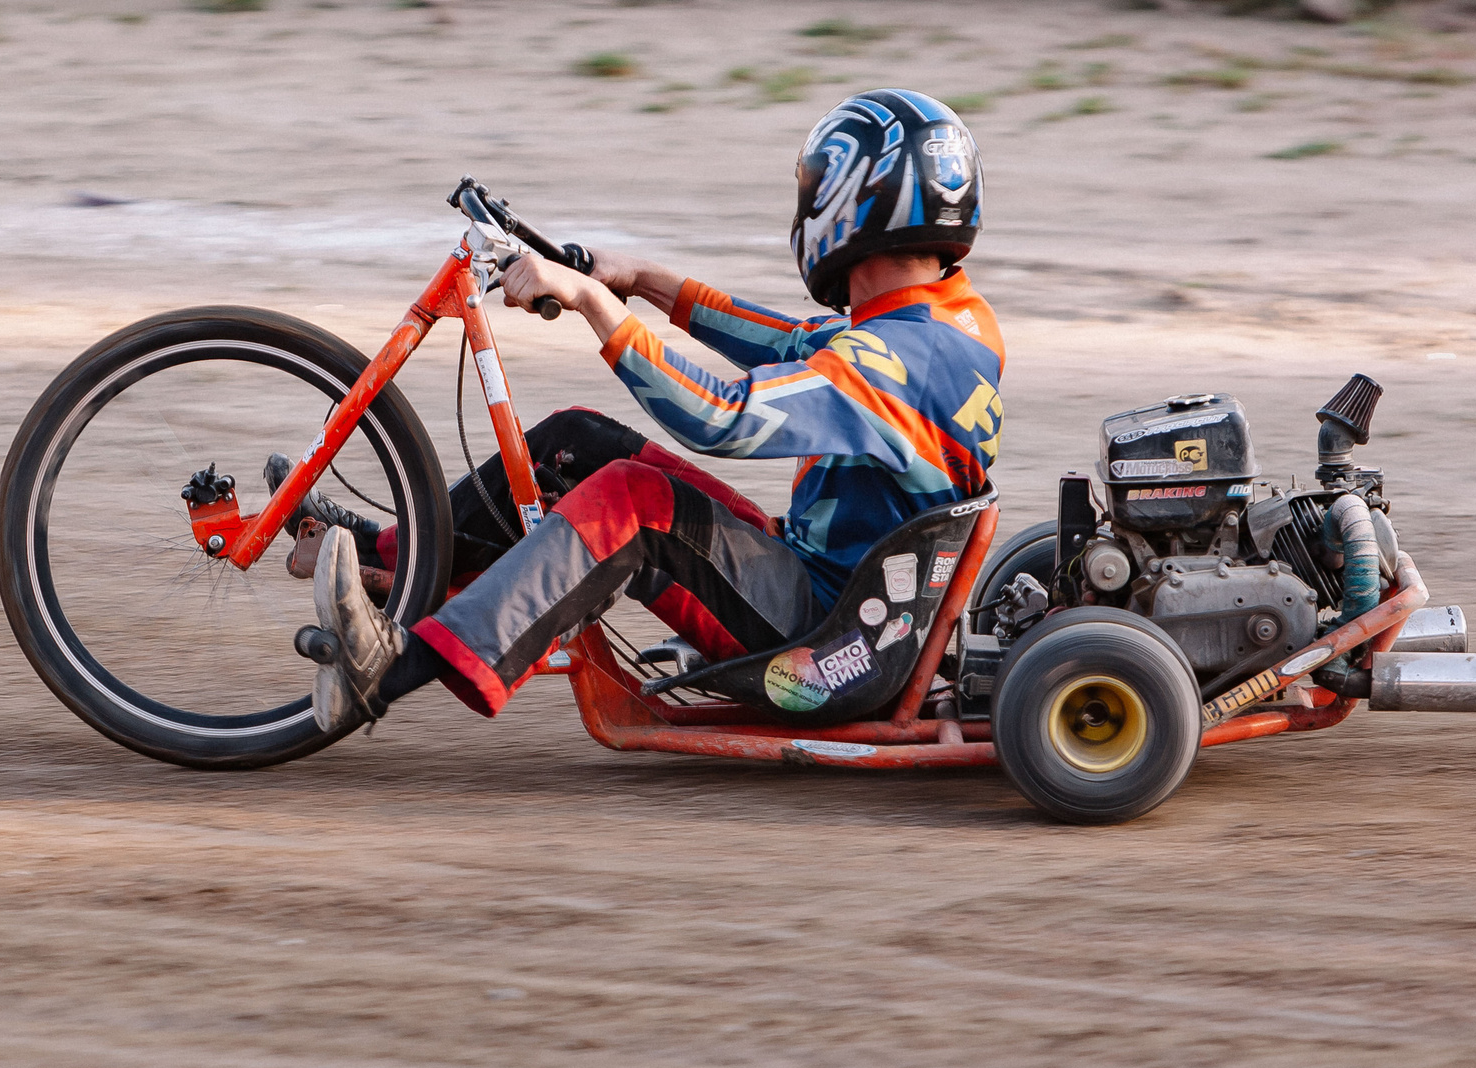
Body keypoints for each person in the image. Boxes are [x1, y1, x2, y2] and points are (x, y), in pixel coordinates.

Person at [306, 88, 1008, 729]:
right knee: (575, 441)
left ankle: (389, 671)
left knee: (631, 502)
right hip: (853, 605)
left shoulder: (894, 365)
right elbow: (789, 340)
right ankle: (386, 558)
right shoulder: (943, 327)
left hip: (829, 645)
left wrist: (593, 304)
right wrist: (638, 280)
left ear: (857, 203)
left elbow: (721, 418)